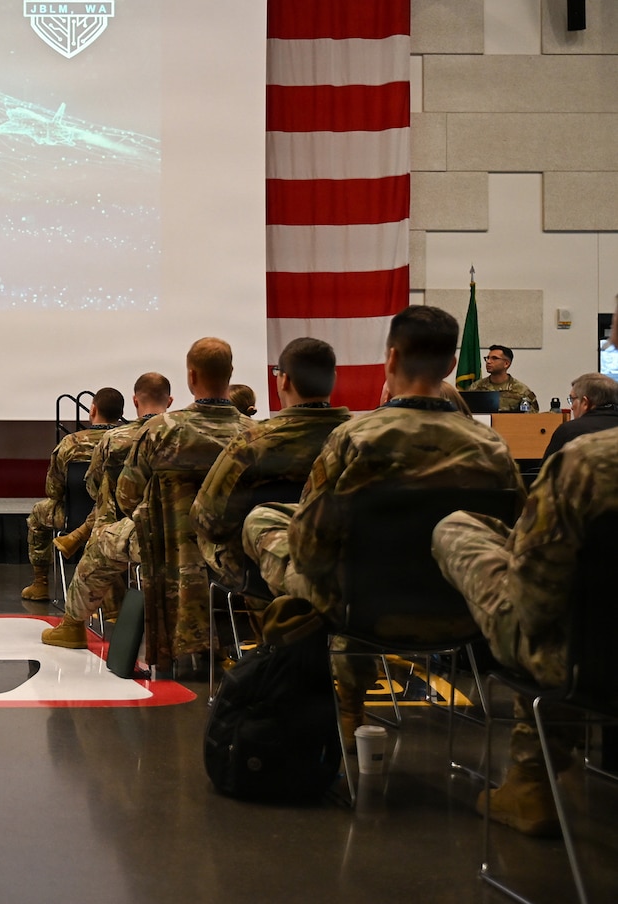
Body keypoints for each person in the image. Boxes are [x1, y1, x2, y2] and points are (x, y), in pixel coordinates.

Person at [244, 306, 524, 740]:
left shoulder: (357, 438)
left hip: (362, 613)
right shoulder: (493, 448)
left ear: (391, 359)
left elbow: (310, 543)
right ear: (452, 365)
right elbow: (513, 539)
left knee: (266, 521)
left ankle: (343, 700)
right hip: (461, 616)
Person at [433, 427, 618, 837]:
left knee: (456, 529)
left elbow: (533, 606)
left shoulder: (590, 462)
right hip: (598, 656)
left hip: (591, 666)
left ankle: (531, 781)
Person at [47, 343, 256, 669]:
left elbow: (127, 496)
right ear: (229, 375)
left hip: (164, 545)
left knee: (101, 544)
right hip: (235, 546)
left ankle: (73, 625)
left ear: (191, 376)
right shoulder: (255, 433)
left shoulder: (161, 431)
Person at [193, 338, 350, 588]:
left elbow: (208, 523)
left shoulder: (251, 444)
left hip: (255, 576)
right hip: (347, 570)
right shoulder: (360, 440)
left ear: (284, 380)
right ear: (332, 377)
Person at [42, 372, 172, 647]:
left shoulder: (115, 440)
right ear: (170, 401)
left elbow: (93, 486)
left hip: (134, 529)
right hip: (199, 533)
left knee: (103, 529)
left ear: (136, 401)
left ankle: (74, 623)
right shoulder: (185, 434)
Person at [20, 387, 125, 602]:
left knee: (38, 514)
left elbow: (54, 490)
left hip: (74, 518)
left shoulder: (71, 443)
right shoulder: (131, 440)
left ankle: (41, 583)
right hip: (122, 520)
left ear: (92, 409)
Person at [540, 371, 618, 461]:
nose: (572, 407)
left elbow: (548, 472)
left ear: (585, 403)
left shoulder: (569, 431)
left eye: (572, 399)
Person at [466, 344, 538, 412]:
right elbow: (464, 413)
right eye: (487, 358)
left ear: (506, 364)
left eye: (494, 358)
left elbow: (530, 418)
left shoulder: (521, 391)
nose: (488, 361)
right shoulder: (475, 388)